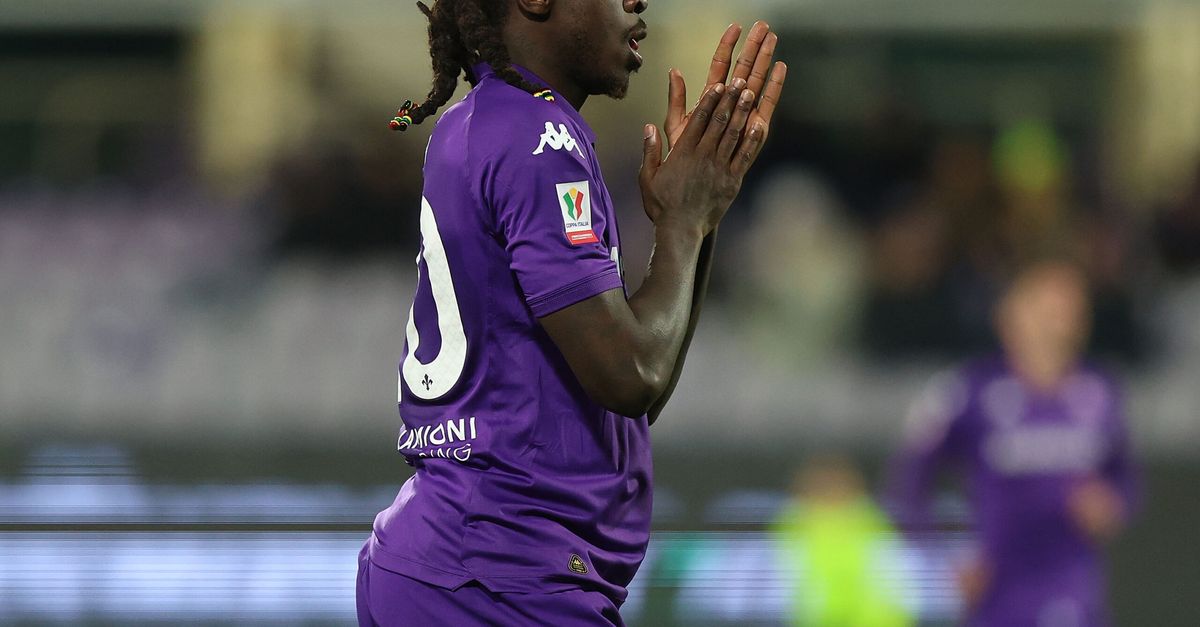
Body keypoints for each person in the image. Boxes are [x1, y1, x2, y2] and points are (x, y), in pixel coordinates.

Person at [356, 1, 787, 625]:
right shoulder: (537, 138)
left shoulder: (493, 120)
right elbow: (629, 377)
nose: (637, 1)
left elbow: (627, 395)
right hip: (498, 575)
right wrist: (685, 224)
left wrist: (696, 218)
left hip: (464, 563)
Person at [888, 260, 1138, 627]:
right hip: (997, 591)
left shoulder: (1099, 392)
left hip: (1071, 586)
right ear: (1012, 315)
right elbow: (911, 481)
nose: (1059, 323)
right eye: (1047, 309)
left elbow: (1124, 478)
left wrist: (1110, 504)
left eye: (1071, 310)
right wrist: (947, 556)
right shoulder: (970, 391)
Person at [774, 455, 913, 627]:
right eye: (822, 484)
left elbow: (891, 576)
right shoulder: (793, 523)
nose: (830, 490)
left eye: (835, 483)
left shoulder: (870, 519)